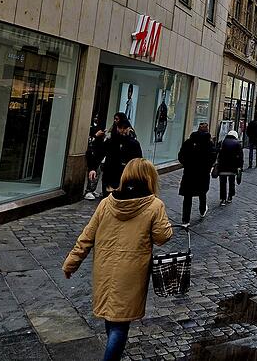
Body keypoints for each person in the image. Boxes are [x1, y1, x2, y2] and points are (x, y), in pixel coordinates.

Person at [63, 159, 172, 361]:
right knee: (120, 325)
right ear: (150, 178)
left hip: (105, 269)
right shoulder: (154, 205)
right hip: (132, 273)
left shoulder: (106, 202)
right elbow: (162, 237)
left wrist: (71, 262)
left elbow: (87, 236)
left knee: (113, 319)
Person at [88, 118, 143, 197]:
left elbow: (138, 162)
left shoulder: (134, 144)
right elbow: (99, 155)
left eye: (125, 128)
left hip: (126, 178)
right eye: (120, 128)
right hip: (110, 176)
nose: (122, 130)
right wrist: (93, 168)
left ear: (129, 129)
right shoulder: (111, 141)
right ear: (117, 128)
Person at [178, 123, 216, 223]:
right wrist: (207, 167)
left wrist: (187, 164)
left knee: (187, 197)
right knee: (202, 193)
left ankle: (185, 220)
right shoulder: (209, 144)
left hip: (189, 173)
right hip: (203, 174)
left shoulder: (189, 142)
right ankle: (202, 210)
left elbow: (181, 156)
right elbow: (213, 158)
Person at [216, 130, 243, 205]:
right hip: (233, 167)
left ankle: (223, 199)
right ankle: (230, 197)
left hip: (222, 166)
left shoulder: (222, 142)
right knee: (231, 182)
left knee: (222, 183)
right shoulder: (237, 144)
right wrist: (240, 167)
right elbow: (240, 157)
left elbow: (217, 152)